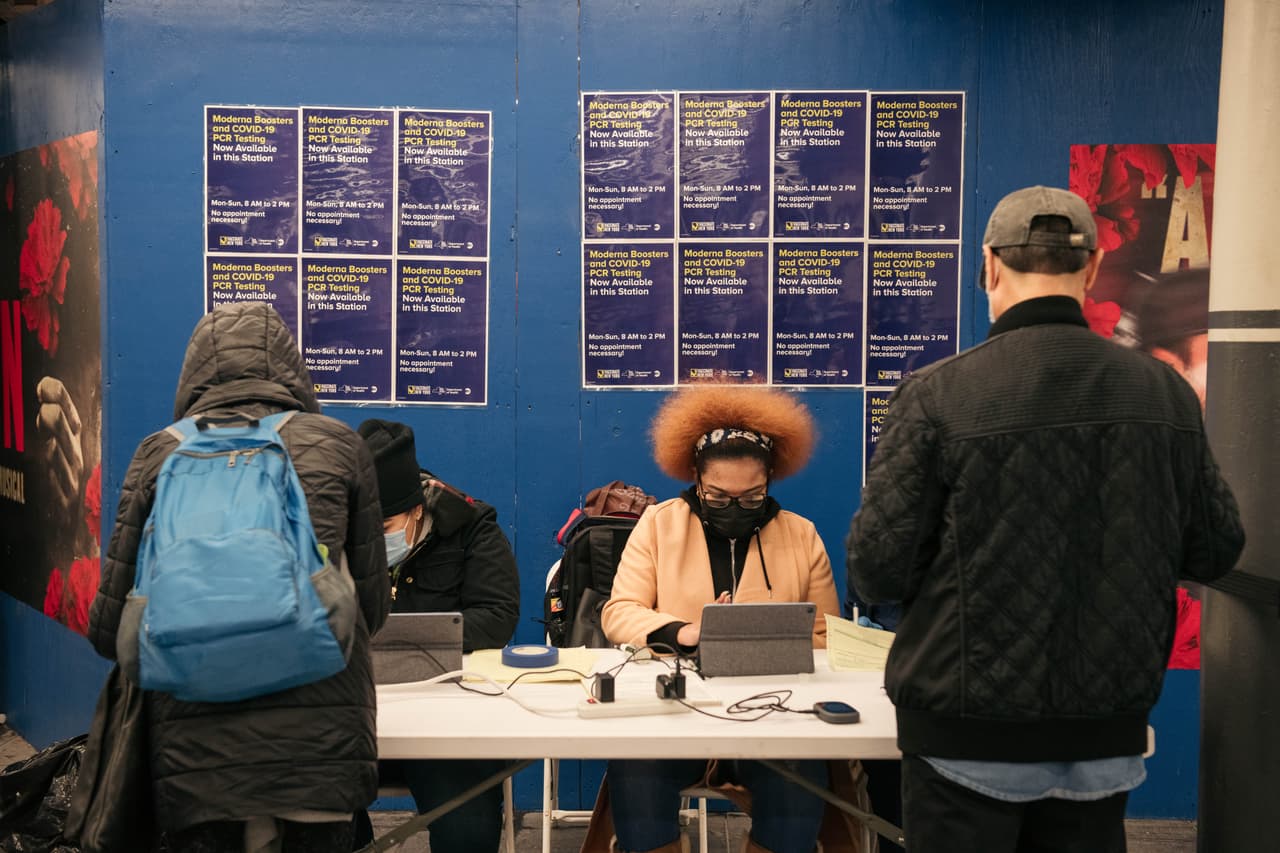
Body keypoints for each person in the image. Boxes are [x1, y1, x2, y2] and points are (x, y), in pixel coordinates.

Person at [846, 186, 1245, 853]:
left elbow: (876, 566)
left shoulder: (937, 394)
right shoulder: (1163, 394)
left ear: (991, 266)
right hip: (1102, 735)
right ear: (1089, 271)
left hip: (962, 738)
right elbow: (1216, 549)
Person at [88, 302, 389, 853]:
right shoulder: (339, 446)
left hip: (197, 765)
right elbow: (370, 611)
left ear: (193, 373)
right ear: (292, 367)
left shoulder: (160, 454)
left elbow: (110, 630)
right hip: (318, 755)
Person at [595, 385, 841, 853]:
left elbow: (826, 635)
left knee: (803, 779)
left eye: (751, 497)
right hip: (674, 714)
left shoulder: (801, 535)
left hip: (773, 716)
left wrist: (768, 645)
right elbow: (619, 612)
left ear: (771, 479)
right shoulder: (659, 524)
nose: (734, 507)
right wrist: (682, 632)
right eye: (718, 495)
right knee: (635, 770)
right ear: (693, 477)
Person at [353, 418, 520, 852]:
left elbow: (498, 616)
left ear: (417, 509)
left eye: (384, 525)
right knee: (317, 815)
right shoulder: (339, 531)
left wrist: (407, 637)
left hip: (446, 712)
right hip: (354, 710)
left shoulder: (472, 526)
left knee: (466, 829)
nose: (372, 536)